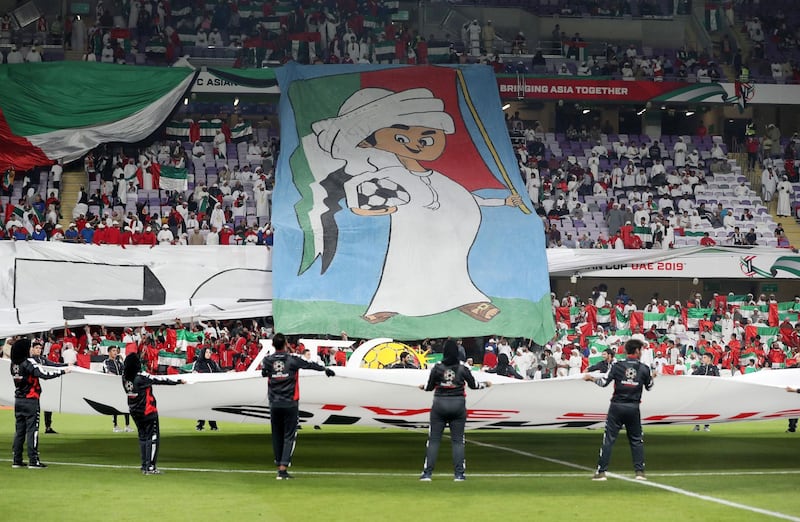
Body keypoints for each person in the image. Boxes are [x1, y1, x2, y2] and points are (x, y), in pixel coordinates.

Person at [261, 332, 335, 480]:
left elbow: (265, 373)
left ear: (273, 345)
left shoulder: (267, 360)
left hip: (274, 403)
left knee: (277, 434)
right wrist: (325, 369)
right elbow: (310, 365)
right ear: (286, 344)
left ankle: (279, 464)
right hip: (290, 403)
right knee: (289, 435)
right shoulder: (293, 360)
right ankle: (282, 469)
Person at [418, 339, 491, 481]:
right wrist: (486, 385)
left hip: (439, 404)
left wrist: (423, 387)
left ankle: (427, 473)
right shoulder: (462, 367)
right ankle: (459, 474)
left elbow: (430, 387)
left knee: (433, 440)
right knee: (458, 441)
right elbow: (474, 385)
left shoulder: (437, 367)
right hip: (458, 405)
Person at [583, 338, 654, 481]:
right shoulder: (644, 368)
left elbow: (603, 383)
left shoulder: (617, 366)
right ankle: (639, 472)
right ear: (637, 351)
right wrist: (653, 377)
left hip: (616, 406)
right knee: (636, 440)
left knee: (608, 439)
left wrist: (591, 379)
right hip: (634, 407)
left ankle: (601, 472)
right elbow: (650, 386)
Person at [10, 338, 71, 468]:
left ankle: (17, 460)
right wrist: (63, 371)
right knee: (33, 430)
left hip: (18, 400)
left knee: (19, 431)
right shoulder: (29, 362)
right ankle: (34, 460)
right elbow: (44, 374)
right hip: (31, 400)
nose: (31, 349)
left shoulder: (13, 364)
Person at [122, 352, 186, 475]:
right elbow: (159, 380)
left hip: (134, 411)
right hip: (148, 410)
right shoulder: (141, 377)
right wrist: (178, 381)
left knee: (142, 437)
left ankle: (144, 465)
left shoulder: (124, 377)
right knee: (153, 438)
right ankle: (150, 467)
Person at [29, 338, 66, 435]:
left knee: (48, 406)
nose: (38, 350)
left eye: (40, 348)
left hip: (45, 386)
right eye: (36, 348)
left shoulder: (42, 359)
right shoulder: (30, 360)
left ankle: (48, 427)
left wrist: (67, 365)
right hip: (33, 388)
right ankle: (31, 428)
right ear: (32, 349)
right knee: (34, 408)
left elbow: (54, 365)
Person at [193, 347, 224, 431]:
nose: (208, 354)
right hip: (202, 389)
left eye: (209, 352)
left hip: (212, 389)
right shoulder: (198, 363)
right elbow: (195, 372)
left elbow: (219, 372)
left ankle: (213, 425)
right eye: (206, 352)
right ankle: (200, 425)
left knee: (212, 407)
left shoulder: (213, 363)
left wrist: (227, 373)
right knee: (203, 407)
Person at [103, 346, 132, 433]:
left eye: (116, 351)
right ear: (109, 352)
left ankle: (127, 426)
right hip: (112, 387)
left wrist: (124, 361)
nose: (115, 352)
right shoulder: (106, 362)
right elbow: (108, 372)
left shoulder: (119, 362)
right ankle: (115, 426)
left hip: (122, 386)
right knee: (114, 406)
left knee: (126, 406)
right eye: (113, 350)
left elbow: (126, 371)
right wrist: (117, 377)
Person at [691, 352, 720, 432]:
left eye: (704, 357)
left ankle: (706, 426)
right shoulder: (701, 368)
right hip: (700, 392)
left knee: (707, 409)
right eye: (702, 357)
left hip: (709, 392)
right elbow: (692, 375)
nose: (702, 359)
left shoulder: (714, 368)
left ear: (709, 359)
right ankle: (696, 425)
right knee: (697, 408)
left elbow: (718, 378)